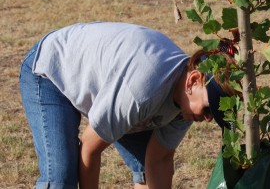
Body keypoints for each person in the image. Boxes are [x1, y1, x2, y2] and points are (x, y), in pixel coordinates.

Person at [19, 21, 236, 188]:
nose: (207, 118)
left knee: (145, 166)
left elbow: (158, 161)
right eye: (209, 109)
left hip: (106, 83)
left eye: (214, 114)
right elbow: (89, 149)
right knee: (61, 177)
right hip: (53, 69)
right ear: (193, 80)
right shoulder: (141, 91)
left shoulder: (187, 104)